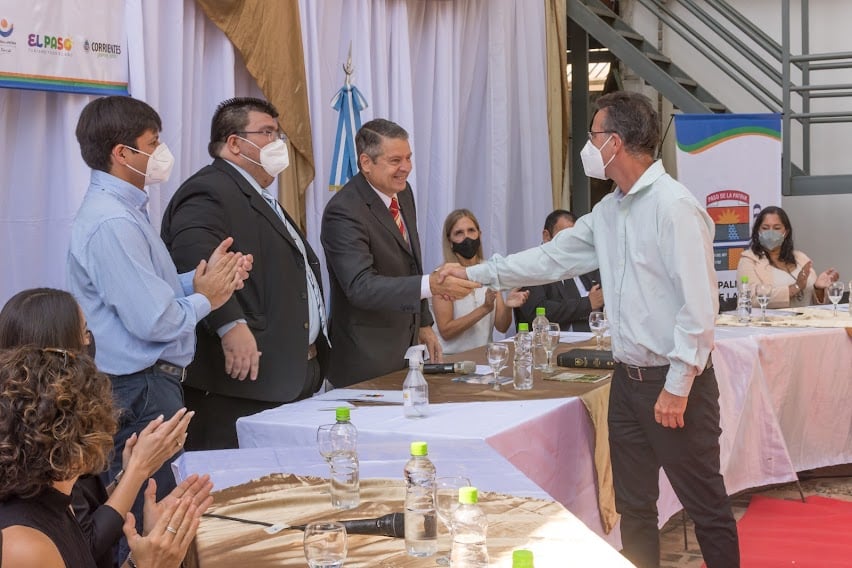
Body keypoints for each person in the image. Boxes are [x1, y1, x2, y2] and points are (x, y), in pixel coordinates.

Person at [441, 91, 739, 568]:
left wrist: (678, 385)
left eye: (593, 135)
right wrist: (475, 274)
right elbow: (549, 259)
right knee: (634, 508)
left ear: (614, 142)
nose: (588, 145)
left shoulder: (674, 207)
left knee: (705, 504)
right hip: (626, 382)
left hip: (674, 382)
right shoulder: (608, 212)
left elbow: (699, 308)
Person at [67, 96, 249, 550]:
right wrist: (208, 298)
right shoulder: (112, 220)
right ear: (122, 153)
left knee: (156, 515)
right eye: (153, 143)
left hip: (147, 385)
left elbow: (150, 290)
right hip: (139, 388)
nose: (162, 152)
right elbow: (154, 320)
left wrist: (203, 278)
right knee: (147, 523)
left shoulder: (126, 209)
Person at [0, 287, 213, 568]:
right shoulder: (25, 545)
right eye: (94, 437)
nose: (98, 457)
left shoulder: (55, 504)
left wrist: (144, 554)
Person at [161, 97, 329, 450]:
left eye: (278, 133)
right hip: (242, 385)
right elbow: (197, 260)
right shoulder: (209, 189)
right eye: (267, 133)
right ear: (235, 144)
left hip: (287, 377)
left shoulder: (257, 194)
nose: (277, 143)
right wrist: (230, 324)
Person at [321, 118, 479, 387]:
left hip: (407, 352)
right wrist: (430, 285)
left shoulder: (403, 194)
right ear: (366, 162)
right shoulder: (344, 211)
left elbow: (411, 263)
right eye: (395, 160)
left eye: (408, 157)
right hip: (366, 358)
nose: (406, 167)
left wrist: (423, 322)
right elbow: (360, 287)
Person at [432, 209, 528, 354]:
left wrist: (508, 306)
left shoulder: (489, 270)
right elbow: (446, 331)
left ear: (479, 234)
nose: (467, 237)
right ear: (450, 241)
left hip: (484, 358)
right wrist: (484, 309)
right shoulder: (442, 276)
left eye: (471, 231)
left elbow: (502, 327)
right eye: (459, 233)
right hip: (451, 359)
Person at [514, 210, 603, 332]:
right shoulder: (531, 266)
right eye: (564, 236)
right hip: (551, 340)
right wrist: (587, 304)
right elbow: (538, 310)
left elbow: (604, 298)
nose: (570, 242)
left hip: (594, 336)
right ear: (546, 236)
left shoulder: (585, 263)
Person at [736, 205, 839, 308]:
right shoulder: (749, 260)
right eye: (765, 228)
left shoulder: (800, 258)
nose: (770, 232)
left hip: (806, 318)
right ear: (758, 231)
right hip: (769, 318)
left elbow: (813, 302)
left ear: (786, 232)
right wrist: (795, 287)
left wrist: (818, 289)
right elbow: (751, 298)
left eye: (777, 228)